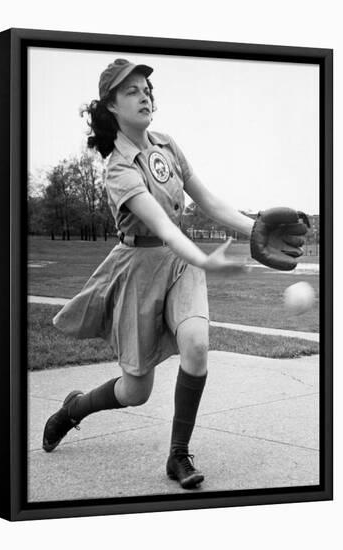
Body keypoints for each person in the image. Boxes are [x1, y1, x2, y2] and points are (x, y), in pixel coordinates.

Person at [42, 58, 306, 490]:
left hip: (180, 264)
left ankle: (178, 455)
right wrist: (207, 259)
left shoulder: (166, 145)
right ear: (110, 105)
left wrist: (255, 226)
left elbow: (208, 202)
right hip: (138, 271)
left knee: (197, 347)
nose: (144, 95)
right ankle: (74, 409)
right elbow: (161, 227)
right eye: (131, 91)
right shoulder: (118, 167)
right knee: (135, 392)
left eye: (146, 88)